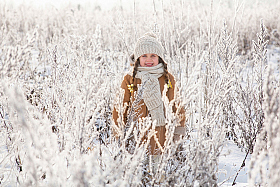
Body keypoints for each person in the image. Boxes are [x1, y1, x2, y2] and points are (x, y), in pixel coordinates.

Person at [112, 32, 186, 156]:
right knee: (137, 172)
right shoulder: (130, 79)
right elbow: (119, 108)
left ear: (160, 57)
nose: (149, 59)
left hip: (162, 138)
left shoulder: (167, 79)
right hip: (135, 139)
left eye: (153, 55)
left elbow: (177, 107)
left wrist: (178, 132)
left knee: (158, 171)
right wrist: (119, 134)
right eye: (144, 56)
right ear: (137, 58)